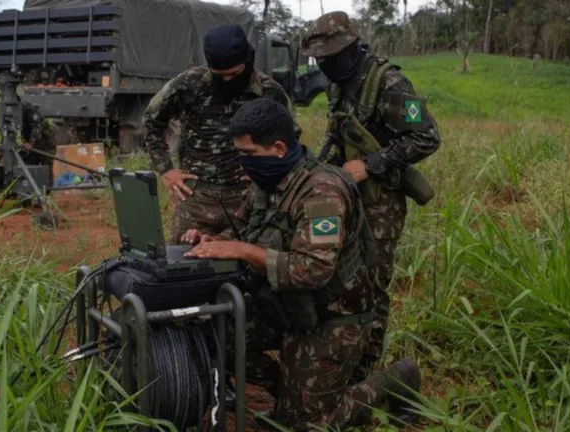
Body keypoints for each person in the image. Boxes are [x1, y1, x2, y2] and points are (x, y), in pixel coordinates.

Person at [181, 98, 420, 430]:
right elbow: (243, 227)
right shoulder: (266, 184)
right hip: (286, 306)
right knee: (215, 332)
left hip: (333, 318)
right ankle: (298, 394)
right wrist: (213, 240)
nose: (242, 163)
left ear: (278, 148)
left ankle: (395, 381)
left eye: (248, 154)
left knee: (305, 427)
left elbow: (313, 269)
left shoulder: (322, 191)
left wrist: (242, 250)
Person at [301, 11, 442, 382]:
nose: (324, 66)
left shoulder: (390, 84)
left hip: (380, 205)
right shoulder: (339, 85)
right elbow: (337, 134)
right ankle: (343, 354)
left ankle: (366, 372)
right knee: (341, 279)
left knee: (373, 286)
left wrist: (372, 163)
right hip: (346, 198)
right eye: (319, 60)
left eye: (328, 58)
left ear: (350, 48)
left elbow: (427, 137)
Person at [142, 23, 299, 244]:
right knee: (183, 264)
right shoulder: (189, 84)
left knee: (245, 265)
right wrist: (166, 170)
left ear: (247, 60)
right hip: (196, 198)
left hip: (247, 199)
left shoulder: (269, 92)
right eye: (219, 75)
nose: (226, 81)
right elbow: (151, 121)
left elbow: (290, 140)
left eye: (234, 74)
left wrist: (267, 173)